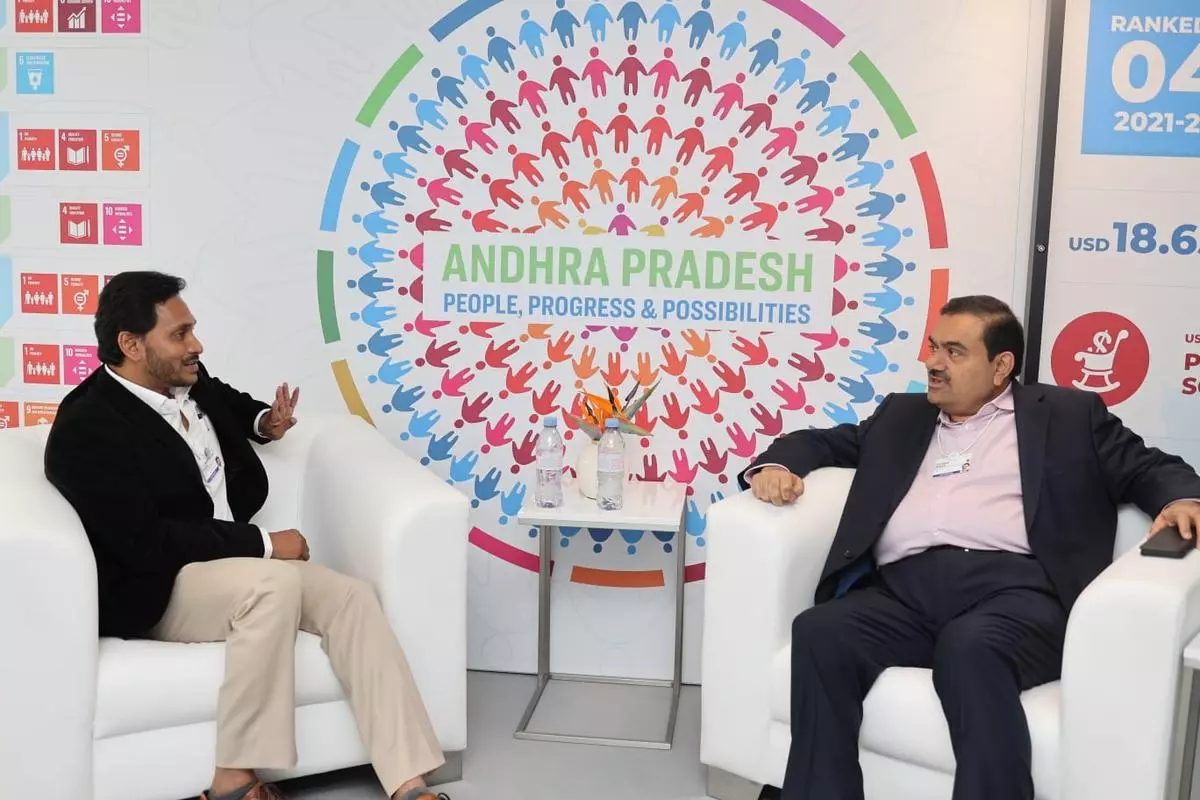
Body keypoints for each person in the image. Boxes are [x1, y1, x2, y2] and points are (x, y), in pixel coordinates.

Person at [742, 295, 1200, 800]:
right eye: (934, 347)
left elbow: (1147, 466)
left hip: (1016, 594)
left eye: (954, 352)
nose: (933, 362)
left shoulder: (1069, 416)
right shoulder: (902, 414)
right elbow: (826, 442)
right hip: (902, 592)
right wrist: (776, 466)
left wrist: (1183, 499)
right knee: (821, 631)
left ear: (1001, 366)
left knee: (971, 648)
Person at [44, 272, 450, 800]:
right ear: (130, 344)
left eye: (193, 331)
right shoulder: (87, 425)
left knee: (352, 597)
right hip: (161, 585)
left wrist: (263, 421)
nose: (196, 345)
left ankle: (408, 781)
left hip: (232, 569)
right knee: (273, 585)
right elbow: (144, 543)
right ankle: (233, 782)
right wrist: (263, 544)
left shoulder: (185, 377)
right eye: (180, 334)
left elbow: (225, 401)